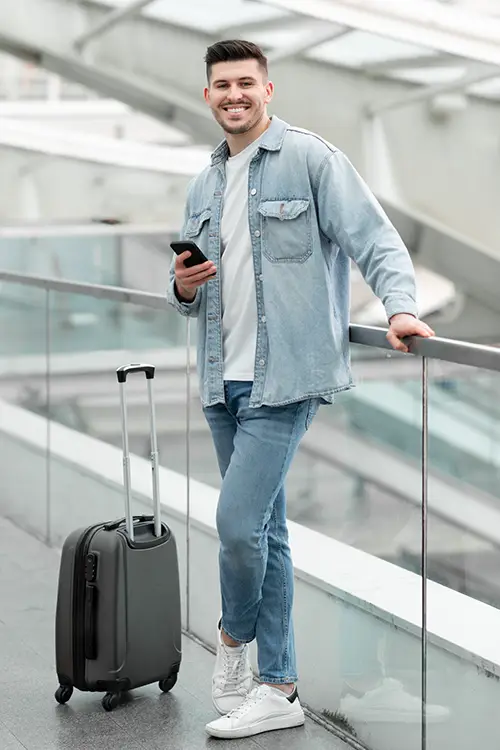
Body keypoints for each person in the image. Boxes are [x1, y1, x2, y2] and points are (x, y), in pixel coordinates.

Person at [167, 39, 434, 740]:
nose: (234, 95)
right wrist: (181, 286)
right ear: (208, 97)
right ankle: (279, 687)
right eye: (222, 85)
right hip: (222, 381)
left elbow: (375, 239)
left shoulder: (311, 159)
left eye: (246, 84)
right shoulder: (205, 181)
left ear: (268, 89)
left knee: (234, 527)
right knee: (266, 532)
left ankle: (232, 646)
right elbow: (192, 294)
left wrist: (399, 306)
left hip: (285, 380)